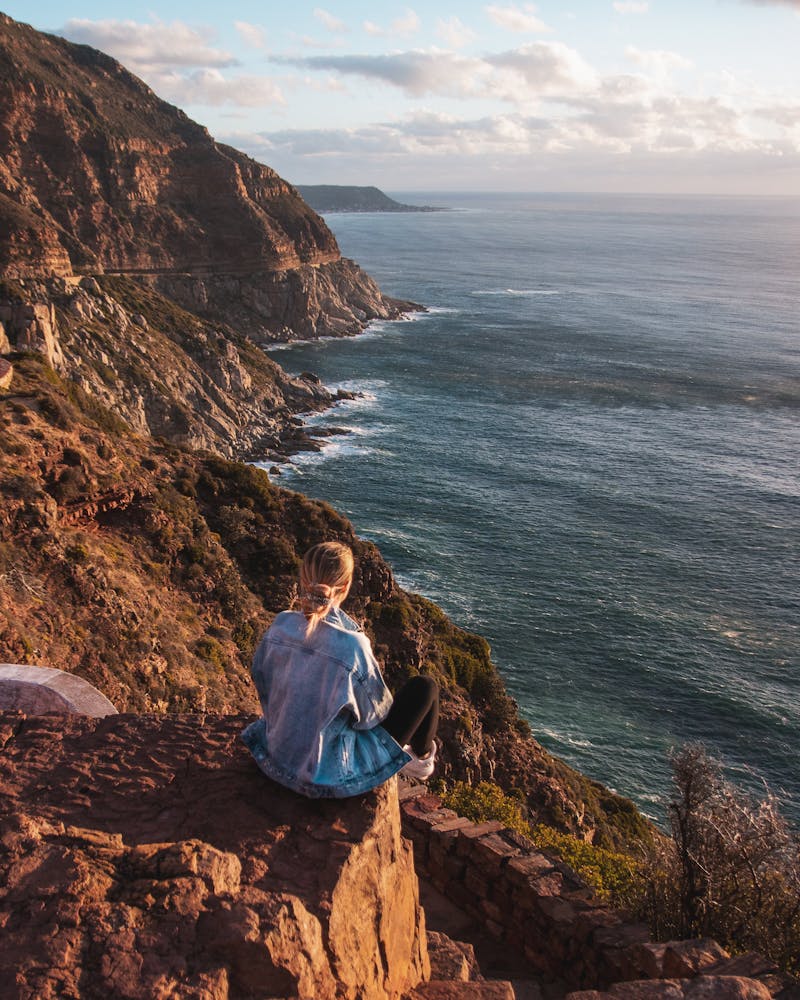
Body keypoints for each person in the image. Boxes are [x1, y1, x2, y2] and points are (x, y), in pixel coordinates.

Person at [241, 541, 439, 798]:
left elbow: (264, 685)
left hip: (274, 757)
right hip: (325, 777)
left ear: (303, 579)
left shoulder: (280, 625)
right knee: (425, 687)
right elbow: (373, 717)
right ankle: (421, 761)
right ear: (345, 587)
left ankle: (418, 759)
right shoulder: (353, 645)